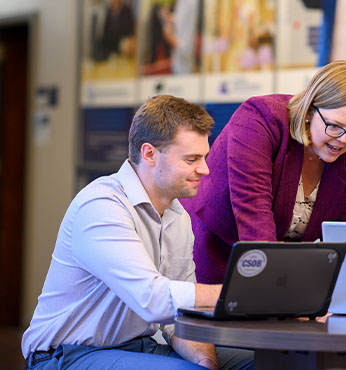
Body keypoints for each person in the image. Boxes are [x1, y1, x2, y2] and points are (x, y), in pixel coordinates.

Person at [22, 95, 254, 370]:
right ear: (149, 154)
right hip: (67, 355)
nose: (204, 169)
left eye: (204, 157)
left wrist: (207, 361)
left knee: (261, 364)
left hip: (140, 346)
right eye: (192, 159)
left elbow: (181, 318)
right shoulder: (102, 206)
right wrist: (244, 294)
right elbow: (153, 299)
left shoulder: (178, 217)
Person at [181, 60, 346, 284]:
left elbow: (344, 238)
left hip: (280, 269)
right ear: (309, 111)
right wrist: (276, 294)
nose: (343, 140)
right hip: (213, 249)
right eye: (334, 126)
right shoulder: (260, 118)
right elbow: (253, 213)